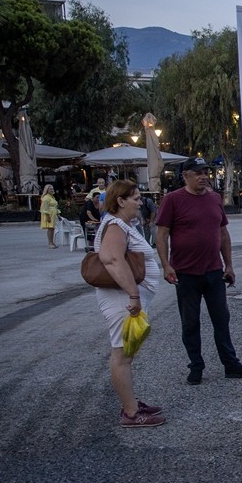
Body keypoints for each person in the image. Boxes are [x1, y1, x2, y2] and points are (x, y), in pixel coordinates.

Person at [155, 158, 242, 385]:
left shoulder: (214, 199)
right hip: (185, 273)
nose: (203, 176)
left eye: (206, 172)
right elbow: (162, 234)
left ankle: (230, 363)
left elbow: (223, 234)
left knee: (221, 319)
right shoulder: (172, 200)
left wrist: (229, 265)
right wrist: (165, 265)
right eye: (198, 173)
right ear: (186, 176)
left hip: (213, 271)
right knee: (190, 322)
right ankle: (196, 366)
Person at [95, 180, 164, 427]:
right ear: (120, 201)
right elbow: (111, 259)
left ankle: (131, 403)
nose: (139, 202)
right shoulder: (115, 225)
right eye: (134, 198)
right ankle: (131, 413)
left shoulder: (123, 224)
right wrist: (133, 294)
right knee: (122, 354)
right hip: (122, 299)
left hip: (127, 297)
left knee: (127, 353)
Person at [39, 184, 59, 248]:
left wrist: (58, 214)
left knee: (52, 228)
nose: (52, 190)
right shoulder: (46, 198)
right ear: (47, 190)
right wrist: (48, 216)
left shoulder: (52, 197)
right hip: (49, 214)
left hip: (53, 214)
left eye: (52, 189)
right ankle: (50, 243)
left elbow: (55, 206)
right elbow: (44, 208)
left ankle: (52, 242)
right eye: (50, 189)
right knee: (50, 229)